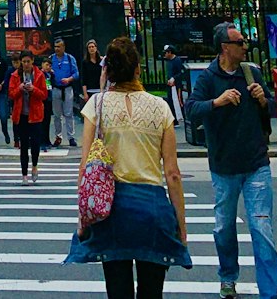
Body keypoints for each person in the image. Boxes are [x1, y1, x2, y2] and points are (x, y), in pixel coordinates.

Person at [65, 37, 190, 298]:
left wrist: (82, 220)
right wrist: (181, 226)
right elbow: (173, 174)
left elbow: (86, 167)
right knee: (152, 291)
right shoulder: (161, 108)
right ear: (138, 69)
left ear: (107, 70)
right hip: (153, 209)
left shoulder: (96, 106)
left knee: (118, 290)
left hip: (113, 211)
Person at [188, 22, 277, 299]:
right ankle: (228, 276)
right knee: (224, 227)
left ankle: (269, 291)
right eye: (239, 42)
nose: (245, 46)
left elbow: (274, 107)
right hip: (224, 166)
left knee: (261, 227)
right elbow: (191, 109)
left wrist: (264, 100)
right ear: (225, 47)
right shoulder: (208, 78)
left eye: (244, 41)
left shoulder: (251, 72)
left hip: (256, 163)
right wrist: (218, 101)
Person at [8, 51, 47, 183]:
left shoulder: (40, 75)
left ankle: (34, 166)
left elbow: (44, 95)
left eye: (28, 62)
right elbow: (11, 94)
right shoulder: (15, 76)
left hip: (35, 115)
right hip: (21, 115)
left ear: (32, 61)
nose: (25, 64)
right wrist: (19, 88)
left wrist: (33, 89)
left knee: (35, 143)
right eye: (23, 62)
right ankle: (24, 174)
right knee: (23, 145)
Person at [50, 38, 80, 148]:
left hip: (67, 88)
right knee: (57, 115)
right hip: (56, 88)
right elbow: (45, 72)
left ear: (63, 47)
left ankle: (71, 137)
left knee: (69, 113)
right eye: (55, 47)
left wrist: (69, 79)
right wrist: (49, 72)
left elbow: (76, 73)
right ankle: (58, 136)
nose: (56, 49)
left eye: (59, 46)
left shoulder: (69, 58)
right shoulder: (51, 59)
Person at [163, 45, 186, 125]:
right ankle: (174, 120)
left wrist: (174, 78)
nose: (165, 55)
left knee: (178, 101)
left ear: (170, 52)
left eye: (166, 53)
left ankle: (183, 117)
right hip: (170, 85)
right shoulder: (168, 61)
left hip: (176, 86)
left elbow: (181, 73)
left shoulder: (177, 60)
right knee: (170, 101)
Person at [39, 58, 54, 150]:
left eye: (49, 65)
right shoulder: (40, 74)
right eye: (46, 65)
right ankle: (42, 140)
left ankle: (47, 139)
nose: (48, 67)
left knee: (47, 120)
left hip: (49, 99)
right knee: (42, 121)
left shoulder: (49, 75)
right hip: (42, 99)